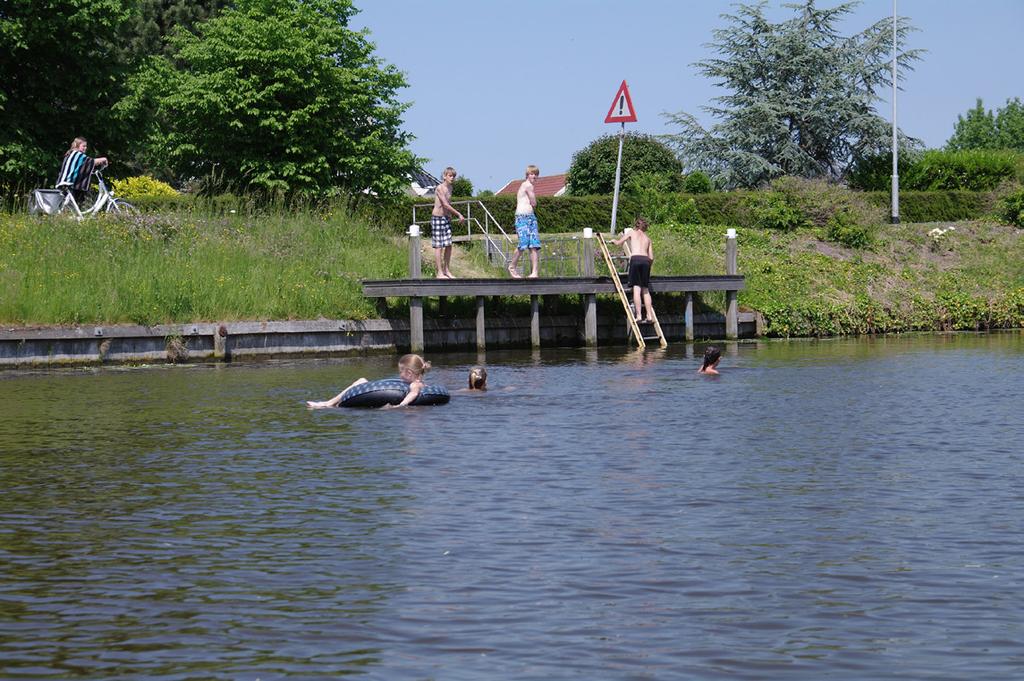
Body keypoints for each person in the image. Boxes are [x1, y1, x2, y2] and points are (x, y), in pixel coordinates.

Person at [307, 354, 431, 409]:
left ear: (409, 373)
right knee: (362, 380)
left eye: (400, 372)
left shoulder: (416, 384)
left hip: (399, 402)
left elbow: (414, 393)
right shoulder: (412, 382)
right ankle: (330, 403)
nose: (399, 375)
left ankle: (329, 403)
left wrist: (400, 406)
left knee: (361, 380)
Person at [612, 217, 655, 323]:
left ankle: (639, 316)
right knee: (645, 289)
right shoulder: (648, 239)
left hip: (635, 259)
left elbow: (619, 243)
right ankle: (649, 316)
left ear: (636, 225)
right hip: (646, 261)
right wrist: (648, 265)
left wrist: (614, 241)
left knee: (636, 288)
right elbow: (651, 258)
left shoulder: (631, 232)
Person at [508, 165, 541, 278]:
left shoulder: (530, 186)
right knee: (523, 243)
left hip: (531, 217)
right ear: (527, 175)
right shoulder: (527, 185)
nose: (534, 176)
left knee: (534, 245)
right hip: (522, 217)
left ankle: (535, 272)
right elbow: (534, 202)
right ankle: (512, 266)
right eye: (532, 174)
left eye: (536, 174)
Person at [431, 167, 464, 279]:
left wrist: (450, 216)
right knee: (438, 246)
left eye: (454, 176)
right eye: (450, 176)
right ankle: (439, 273)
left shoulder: (451, 188)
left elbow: (448, 204)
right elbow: (445, 204)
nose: (452, 178)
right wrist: (458, 214)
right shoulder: (440, 188)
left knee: (448, 245)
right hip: (437, 218)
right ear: (444, 176)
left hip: (446, 219)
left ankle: (447, 270)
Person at [56, 137, 108, 204]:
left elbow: (82, 167)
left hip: (65, 181)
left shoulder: (71, 153)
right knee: (77, 202)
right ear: (77, 145)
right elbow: (90, 161)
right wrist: (103, 159)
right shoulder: (77, 154)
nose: (85, 148)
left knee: (76, 204)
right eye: (83, 146)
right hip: (70, 182)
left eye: (86, 146)